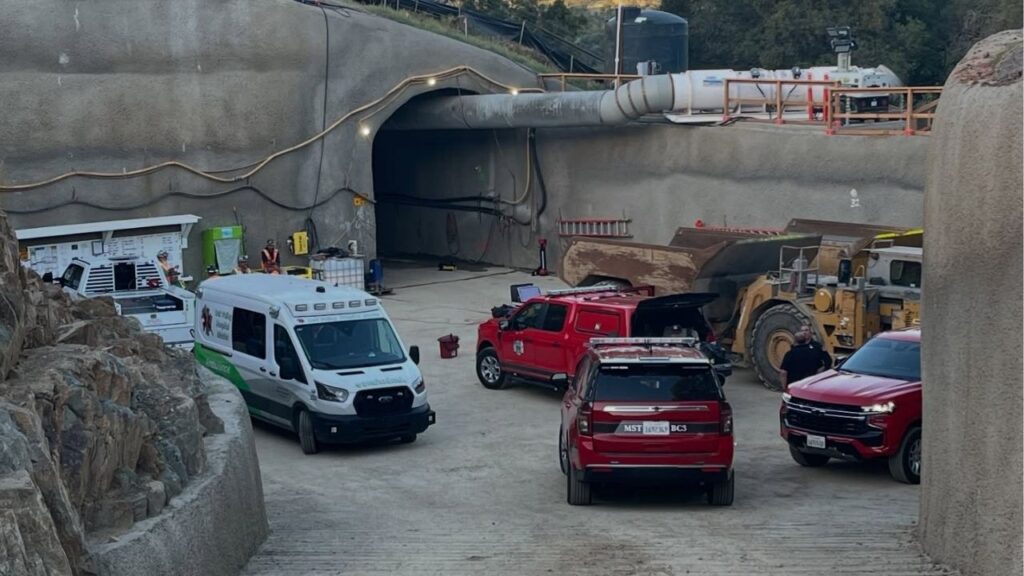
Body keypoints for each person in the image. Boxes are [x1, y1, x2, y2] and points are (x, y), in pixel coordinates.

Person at [779, 325, 833, 390]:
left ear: (810, 332)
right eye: (802, 331)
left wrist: (820, 371)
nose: (804, 332)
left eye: (806, 330)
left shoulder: (817, 346)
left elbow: (828, 361)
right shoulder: (793, 348)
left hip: (811, 381)